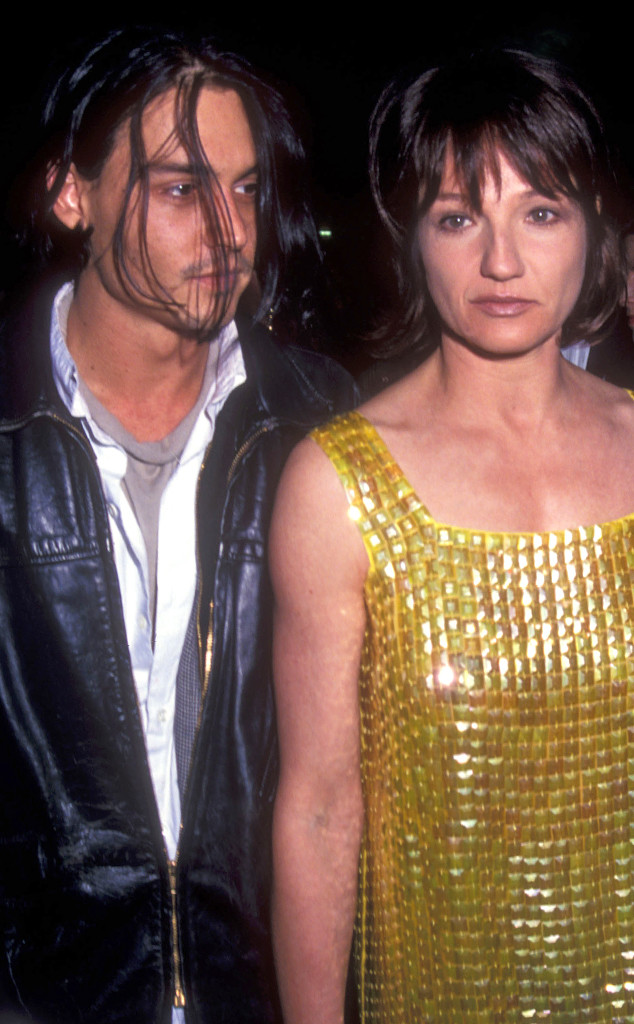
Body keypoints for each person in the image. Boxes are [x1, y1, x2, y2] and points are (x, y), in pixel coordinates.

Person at [270, 49, 634, 1024]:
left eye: (541, 213)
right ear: (410, 237)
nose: (501, 262)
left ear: (595, 228)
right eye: (458, 217)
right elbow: (317, 811)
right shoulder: (336, 487)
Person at [0, 27, 354, 1024]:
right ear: (73, 195)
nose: (229, 230)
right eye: (179, 187)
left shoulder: (321, 428)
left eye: (246, 189)